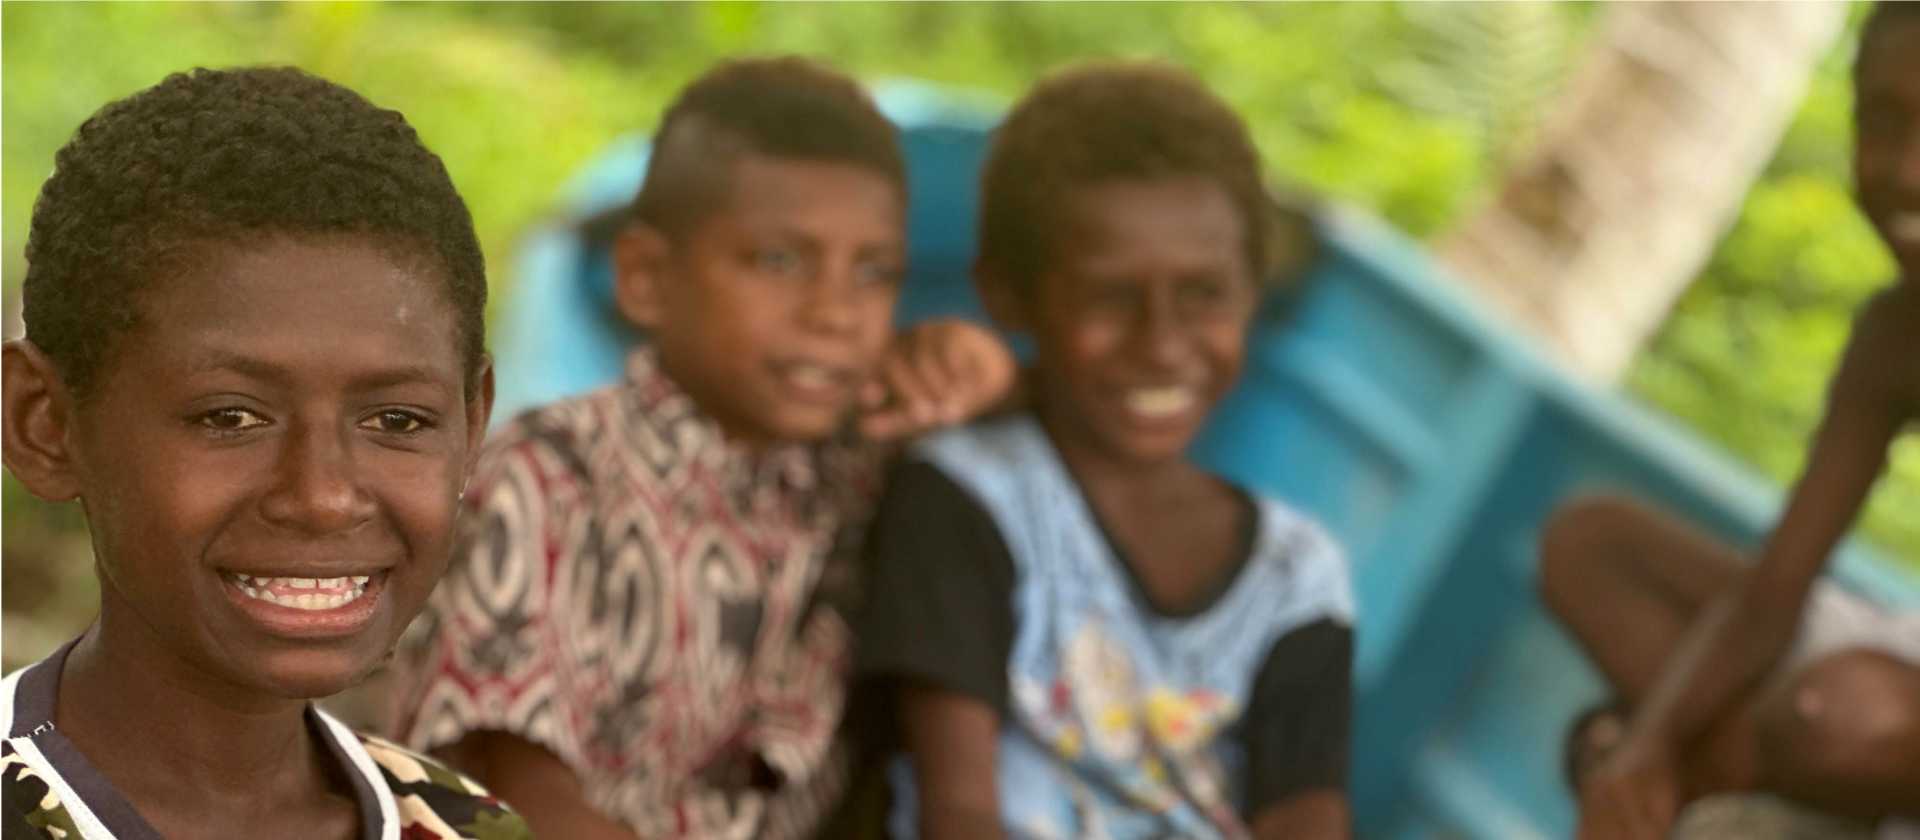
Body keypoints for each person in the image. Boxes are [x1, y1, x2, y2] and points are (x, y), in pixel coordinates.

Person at [387, 56, 1018, 840]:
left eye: (874, 271)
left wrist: (988, 377)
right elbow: (520, 801)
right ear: (647, 277)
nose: (836, 313)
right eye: (779, 261)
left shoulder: (861, 469)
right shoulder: (554, 474)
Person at [0, 67, 526, 839]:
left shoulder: (462, 826)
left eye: (398, 420)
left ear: (472, 425)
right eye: (230, 416)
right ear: (44, 424)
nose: (322, 497)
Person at [856, 62, 1355, 840]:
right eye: (1112, 297)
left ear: (1252, 292)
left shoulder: (1299, 574)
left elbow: (1306, 818)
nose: (1162, 344)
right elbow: (958, 814)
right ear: (1007, 295)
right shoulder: (967, 495)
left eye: (1204, 294)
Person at [1540, 5, 1920, 838]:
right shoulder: (1895, 337)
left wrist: (1627, 750)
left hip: (1885, 707)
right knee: (1588, 544)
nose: (1906, 171)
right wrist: (1648, 741)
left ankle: (1705, 779)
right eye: (1882, 123)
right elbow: (1772, 591)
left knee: (1850, 717)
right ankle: (1681, 776)